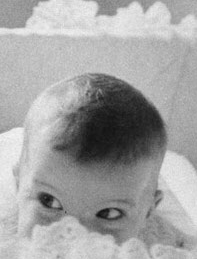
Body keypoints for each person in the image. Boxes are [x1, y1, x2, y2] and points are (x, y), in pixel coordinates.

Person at [13, 72, 183, 246]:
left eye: (109, 213)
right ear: (18, 184)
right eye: (49, 201)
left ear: (148, 212)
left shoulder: (160, 250)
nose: (73, 237)